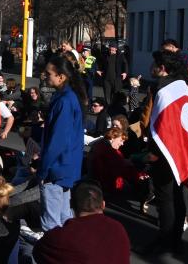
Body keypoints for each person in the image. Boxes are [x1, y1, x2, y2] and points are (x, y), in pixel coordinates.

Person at [138, 49, 188, 255]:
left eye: (154, 65)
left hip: (166, 152)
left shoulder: (163, 90)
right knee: (178, 197)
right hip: (183, 149)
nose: (150, 68)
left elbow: (161, 125)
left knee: (166, 198)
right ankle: (175, 239)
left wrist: (152, 153)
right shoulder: (183, 87)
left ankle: (166, 239)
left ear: (162, 68)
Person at [37, 55, 86, 231]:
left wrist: (43, 170)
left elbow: (57, 141)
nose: (45, 76)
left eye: (49, 73)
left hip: (56, 167)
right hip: (67, 166)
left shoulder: (64, 101)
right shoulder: (69, 97)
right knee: (65, 216)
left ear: (61, 76)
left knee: (51, 222)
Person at [33, 181, 131, 264]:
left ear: (71, 204)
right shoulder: (118, 228)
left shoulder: (60, 237)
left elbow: (38, 253)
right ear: (103, 204)